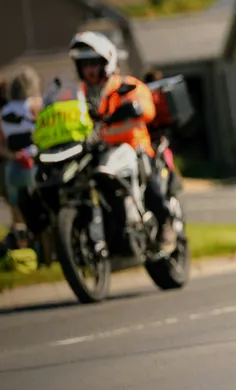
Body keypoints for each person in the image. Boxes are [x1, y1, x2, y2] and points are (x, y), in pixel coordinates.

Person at [70, 32, 176, 252]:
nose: (89, 70)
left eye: (94, 64)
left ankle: (165, 222)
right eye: (84, 64)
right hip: (101, 152)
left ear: (106, 63)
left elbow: (147, 109)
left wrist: (129, 110)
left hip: (133, 145)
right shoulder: (78, 95)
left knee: (146, 173)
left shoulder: (126, 85)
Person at [0, 67, 42, 246]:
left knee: (19, 217)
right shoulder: (36, 105)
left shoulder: (4, 112)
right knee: (42, 212)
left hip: (13, 168)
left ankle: (25, 254)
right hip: (34, 164)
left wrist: (14, 155)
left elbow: (2, 145)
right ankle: (47, 255)